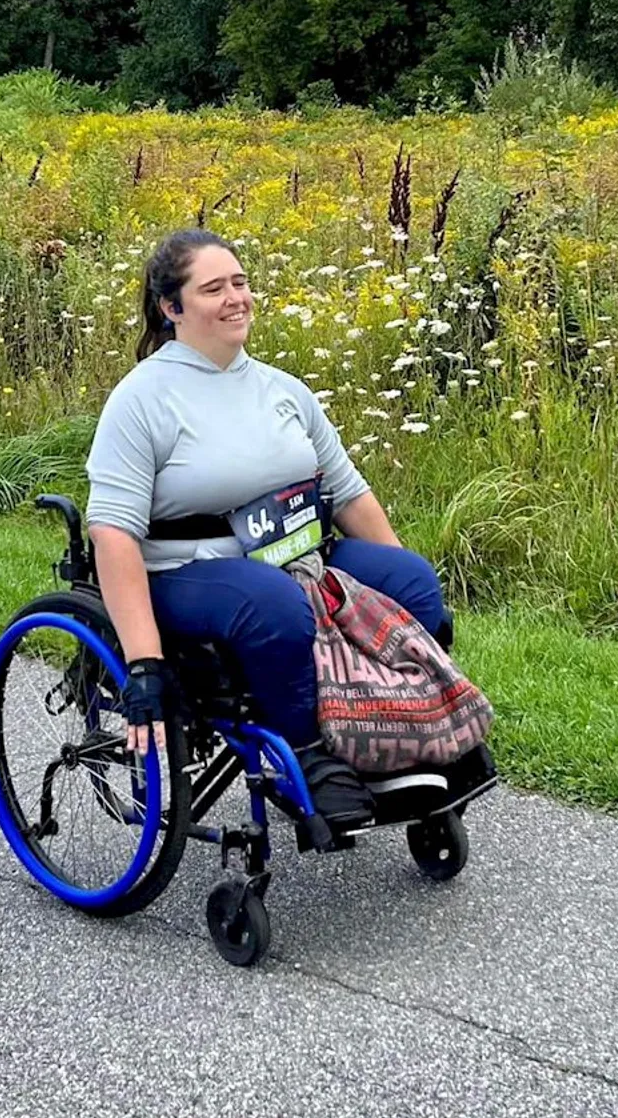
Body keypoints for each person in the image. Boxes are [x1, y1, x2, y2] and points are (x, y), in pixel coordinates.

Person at [83, 228, 451, 830]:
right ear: (171, 308)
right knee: (273, 605)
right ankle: (311, 755)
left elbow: (348, 491)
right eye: (213, 289)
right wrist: (144, 664)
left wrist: (410, 618)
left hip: (296, 556)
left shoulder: (284, 390)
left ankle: (405, 731)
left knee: (411, 582)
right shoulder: (142, 400)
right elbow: (113, 533)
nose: (236, 298)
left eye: (240, 282)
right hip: (186, 571)